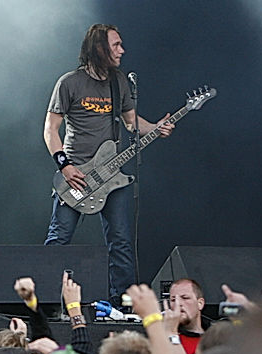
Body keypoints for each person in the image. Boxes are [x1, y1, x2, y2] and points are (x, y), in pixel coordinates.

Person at [43, 24, 174, 303]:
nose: (122, 51)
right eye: (116, 45)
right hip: (76, 173)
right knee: (59, 240)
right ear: (99, 48)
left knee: (121, 243)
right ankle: (44, 302)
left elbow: (131, 122)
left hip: (113, 174)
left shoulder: (119, 82)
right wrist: (65, 166)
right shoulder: (69, 83)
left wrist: (156, 127)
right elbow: (50, 129)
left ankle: (122, 304)